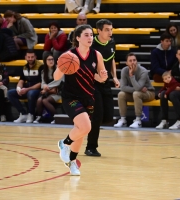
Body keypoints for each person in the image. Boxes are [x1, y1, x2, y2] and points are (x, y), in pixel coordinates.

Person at [55, 24, 108, 175]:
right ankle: (64, 143)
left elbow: (98, 77)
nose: (90, 37)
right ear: (77, 38)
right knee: (86, 127)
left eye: (91, 35)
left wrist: (103, 77)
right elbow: (56, 77)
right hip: (71, 97)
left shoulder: (96, 55)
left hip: (88, 97)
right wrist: (61, 65)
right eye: (86, 35)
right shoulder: (69, 55)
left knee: (81, 131)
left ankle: (72, 162)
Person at [85, 19, 120, 157]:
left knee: (108, 116)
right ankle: (91, 147)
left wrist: (115, 77)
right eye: (107, 29)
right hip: (92, 82)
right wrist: (96, 76)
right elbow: (85, 65)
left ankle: (87, 122)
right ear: (98, 31)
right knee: (98, 116)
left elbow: (111, 59)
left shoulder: (111, 42)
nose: (110, 32)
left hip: (105, 82)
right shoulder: (91, 44)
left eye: (111, 29)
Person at [114, 53, 155, 128]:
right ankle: (123, 120)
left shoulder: (143, 71)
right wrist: (138, 88)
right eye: (130, 60)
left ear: (137, 61)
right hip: (136, 92)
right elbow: (123, 87)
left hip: (149, 92)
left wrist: (131, 76)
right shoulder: (124, 70)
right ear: (126, 63)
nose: (133, 62)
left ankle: (138, 120)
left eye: (134, 60)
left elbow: (137, 88)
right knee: (121, 94)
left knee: (136, 93)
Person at [7, 50, 42, 123]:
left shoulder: (41, 66)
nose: (30, 58)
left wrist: (27, 89)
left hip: (37, 90)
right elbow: (21, 80)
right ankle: (23, 114)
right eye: (28, 57)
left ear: (35, 57)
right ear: (25, 57)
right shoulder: (25, 67)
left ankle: (31, 114)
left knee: (31, 93)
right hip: (27, 89)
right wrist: (18, 88)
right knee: (10, 93)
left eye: (32, 57)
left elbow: (41, 83)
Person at [33, 53, 63, 124]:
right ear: (45, 61)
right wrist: (44, 86)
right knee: (39, 100)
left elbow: (57, 82)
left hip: (58, 91)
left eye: (52, 59)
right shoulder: (43, 71)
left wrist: (47, 88)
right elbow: (43, 83)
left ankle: (56, 117)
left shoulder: (59, 69)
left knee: (45, 101)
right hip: (48, 91)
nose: (51, 61)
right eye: (49, 59)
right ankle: (39, 116)